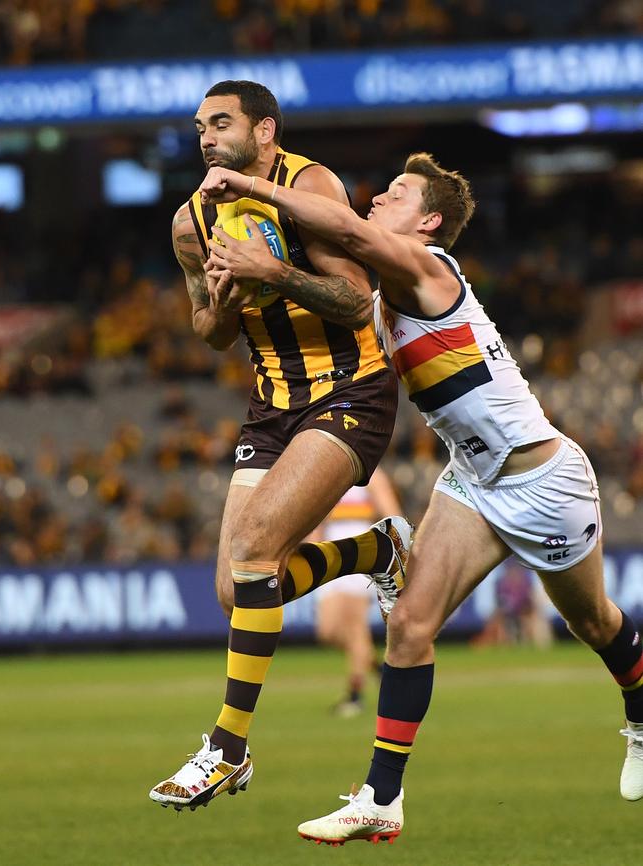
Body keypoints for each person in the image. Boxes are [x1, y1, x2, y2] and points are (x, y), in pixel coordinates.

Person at [198, 153, 643, 842]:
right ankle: (381, 796)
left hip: (543, 482)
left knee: (595, 625)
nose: (377, 198)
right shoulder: (381, 295)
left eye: (397, 193)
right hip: (471, 479)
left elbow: (344, 231)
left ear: (429, 221)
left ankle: (641, 715)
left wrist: (256, 186)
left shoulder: (425, 266)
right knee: (408, 628)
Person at [149, 80, 407, 812]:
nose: (206, 135)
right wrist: (229, 301)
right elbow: (208, 329)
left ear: (266, 131)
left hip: (351, 390)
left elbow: (359, 298)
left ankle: (226, 747)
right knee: (237, 589)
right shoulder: (190, 221)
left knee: (258, 547)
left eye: (221, 122)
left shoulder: (310, 184)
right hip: (271, 406)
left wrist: (274, 273)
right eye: (200, 125)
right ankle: (376, 552)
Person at [313, 466, 403, 717]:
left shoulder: (373, 476)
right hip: (330, 554)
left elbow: (392, 516)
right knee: (327, 630)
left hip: (359, 555)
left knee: (354, 627)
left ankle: (355, 696)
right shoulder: (331, 473)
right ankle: (378, 667)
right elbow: (318, 516)